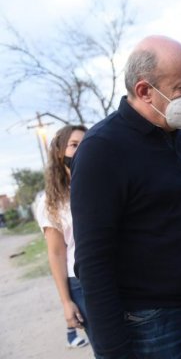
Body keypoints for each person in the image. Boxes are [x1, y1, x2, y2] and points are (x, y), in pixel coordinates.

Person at [71, 35, 181, 359]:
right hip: (148, 323)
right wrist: (113, 350)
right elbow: (92, 260)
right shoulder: (102, 150)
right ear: (145, 91)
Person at [33, 125, 90, 349]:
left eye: (85, 145)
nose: (81, 151)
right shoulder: (52, 202)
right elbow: (56, 254)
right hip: (81, 283)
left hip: (119, 274)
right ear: (59, 153)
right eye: (74, 145)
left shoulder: (104, 186)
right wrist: (66, 303)